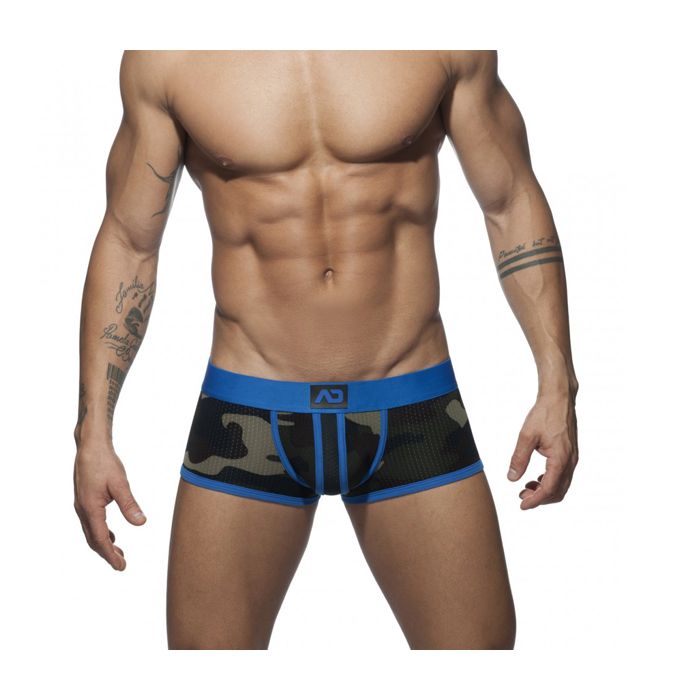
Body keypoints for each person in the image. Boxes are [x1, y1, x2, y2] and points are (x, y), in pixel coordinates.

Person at [73, 50, 579, 650]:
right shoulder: (169, 55)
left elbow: (510, 200)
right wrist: (93, 433)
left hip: (413, 404)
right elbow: (130, 241)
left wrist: (558, 385)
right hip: (248, 410)